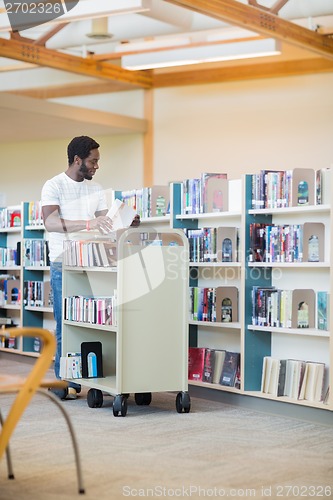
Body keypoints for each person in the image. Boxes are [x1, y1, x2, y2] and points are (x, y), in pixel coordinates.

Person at [41, 135, 138, 399]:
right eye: (93, 161)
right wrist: (86, 225)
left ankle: (97, 375)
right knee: (66, 323)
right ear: (77, 160)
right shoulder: (54, 185)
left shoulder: (97, 189)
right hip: (65, 262)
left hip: (95, 261)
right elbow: (50, 222)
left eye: (98, 161)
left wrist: (126, 222)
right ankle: (66, 381)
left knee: (99, 322)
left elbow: (105, 224)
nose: (96, 166)